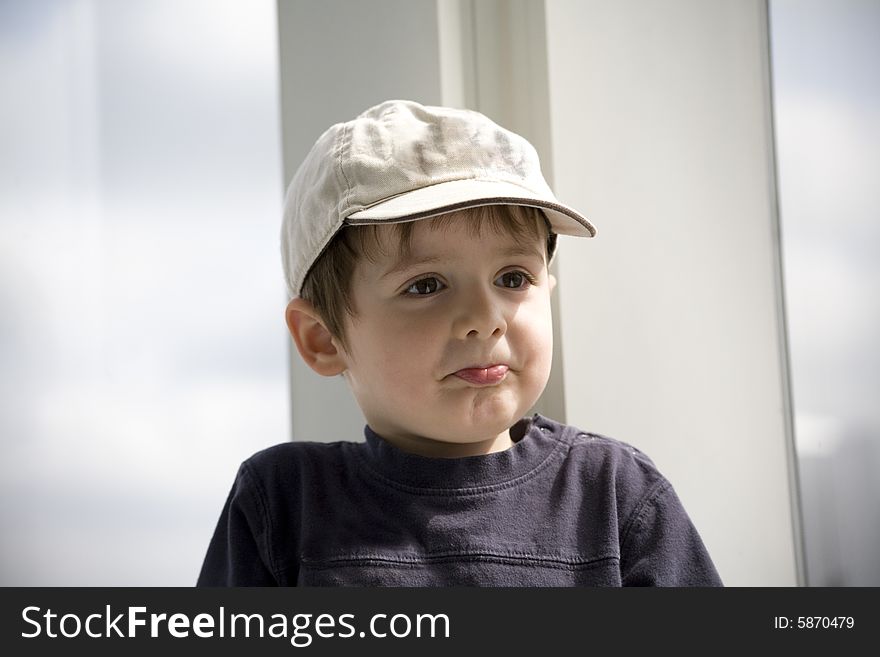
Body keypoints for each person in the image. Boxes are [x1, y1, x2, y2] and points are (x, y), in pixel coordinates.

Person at [196, 99, 722, 586]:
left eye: (513, 278)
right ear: (323, 339)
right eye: (425, 285)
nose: (484, 320)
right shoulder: (284, 502)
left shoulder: (613, 493)